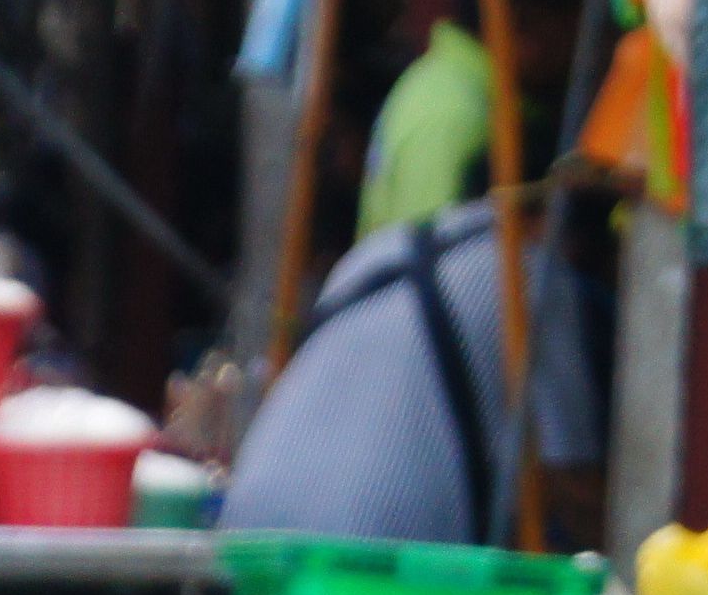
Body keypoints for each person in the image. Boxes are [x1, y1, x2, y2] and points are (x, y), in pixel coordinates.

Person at [218, 197, 599, 544]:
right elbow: (568, 476)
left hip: (249, 522)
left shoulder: (375, 251)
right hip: (374, 544)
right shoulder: (534, 269)